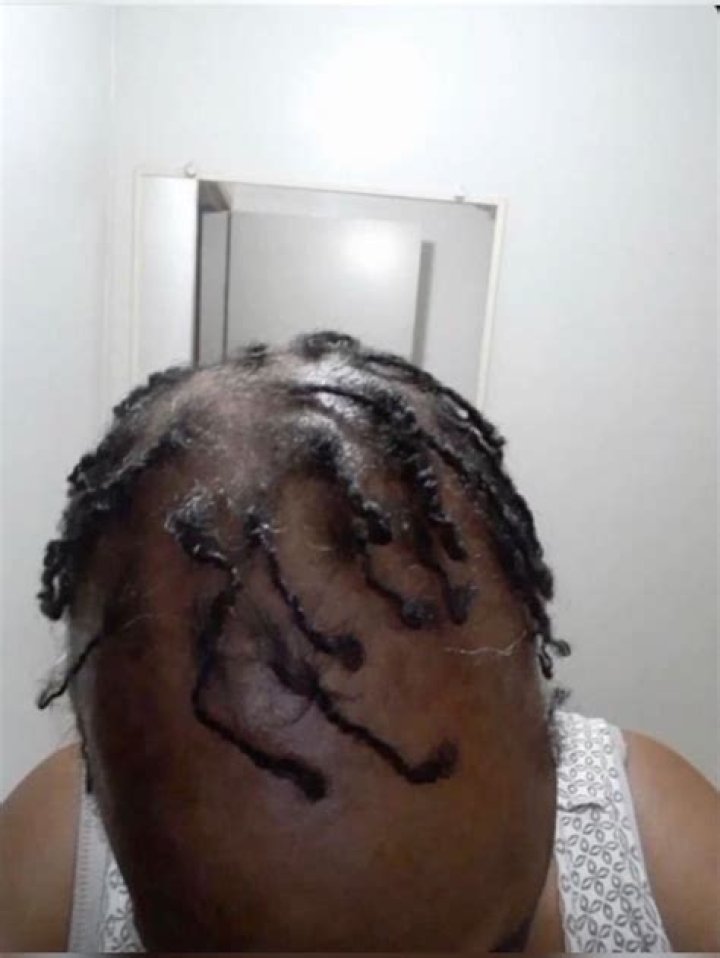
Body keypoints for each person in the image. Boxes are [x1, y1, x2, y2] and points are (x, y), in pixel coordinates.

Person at [1, 332, 717, 953]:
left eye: (501, 944)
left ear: (552, 745)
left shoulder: (667, 885)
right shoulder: (53, 881)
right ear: (102, 796)